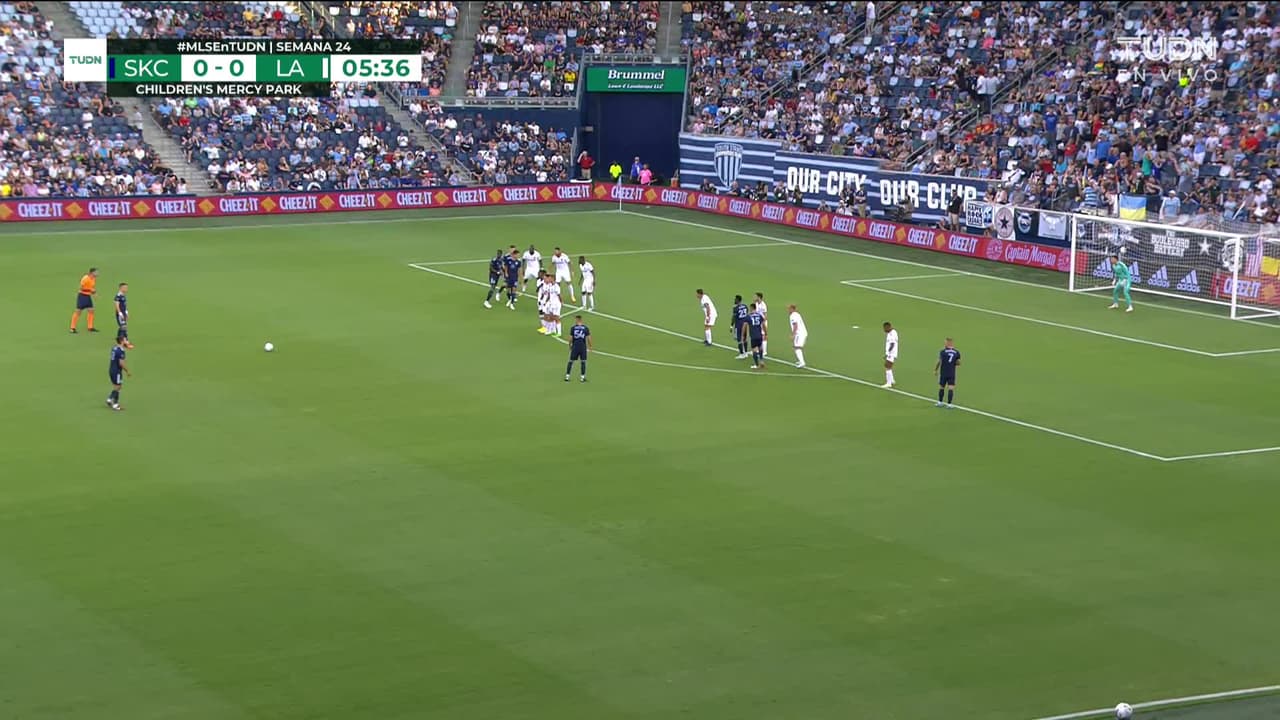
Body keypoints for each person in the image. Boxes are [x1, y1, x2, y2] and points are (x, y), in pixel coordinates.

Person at [106, 335, 131, 411]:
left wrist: (125, 346)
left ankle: (110, 399)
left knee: (116, 386)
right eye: (125, 340)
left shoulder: (114, 348)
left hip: (111, 369)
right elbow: (121, 363)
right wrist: (127, 371)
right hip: (117, 371)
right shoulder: (121, 351)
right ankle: (115, 404)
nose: (126, 341)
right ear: (122, 341)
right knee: (118, 387)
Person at [935, 337, 961, 408]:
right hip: (951, 373)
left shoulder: (943, 352)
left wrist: (935, 370)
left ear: (947, 343)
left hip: (943, 372)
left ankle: (940, 402)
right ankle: (949, 404)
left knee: (941, 387)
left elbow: (939, 361)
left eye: (945, 342)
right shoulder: (957, 352)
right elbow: (958, 363)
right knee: (951, 388)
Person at [71, 267, 98, 333]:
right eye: (96, 272)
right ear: (92, 272)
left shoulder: (94, 279)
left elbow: (91, 287)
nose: (97, 273)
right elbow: (81, 288)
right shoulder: (85, 278)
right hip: (82, 296)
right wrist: (91, 290)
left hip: (88, 296)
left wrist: (94, 293)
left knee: (91, 310)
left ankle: (90, 327)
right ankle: (72, 328)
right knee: (78, 311)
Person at [565, 315, 591, 382]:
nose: (575, 321)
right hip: (582, 347)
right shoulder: (585, 328)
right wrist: (590, 346)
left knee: (571, 361)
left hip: (575, 347)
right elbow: (589, 338)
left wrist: (569, 345)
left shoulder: (573, 328)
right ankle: (582, 377)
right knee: (583, 362)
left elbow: (570, 338)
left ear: (578, 320)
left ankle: (567, 376)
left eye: (576, 320)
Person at [114, 282, 134, 349]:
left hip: (123, 313)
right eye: (125, 288)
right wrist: (120, 313)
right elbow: (116, 305)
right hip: (120, 314)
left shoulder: (123, 295)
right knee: (123, 327)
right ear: (121, 288)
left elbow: (124, 305)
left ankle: (120, 341)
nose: (126, 289)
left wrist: (126, 312)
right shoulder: (118, 296)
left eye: (126, 287)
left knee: (123, 327)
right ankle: (125, 342)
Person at [746, 303, 766, 369]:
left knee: (754, 350)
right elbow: (763, 325)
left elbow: (745, 326)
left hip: (753, 336)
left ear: (751, 308)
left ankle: (757, 365)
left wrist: (744, 335)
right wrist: (766, 333)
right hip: (759, 335)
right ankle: (761, 361)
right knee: (760, 348)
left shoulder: (749, 316)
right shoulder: (759, 315)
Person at [788, 304, 807, 368]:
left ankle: (802, 362)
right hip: (803, 332)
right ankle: (800, 360)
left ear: (792, 309)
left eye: (789, 309)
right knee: (797, 347)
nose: (788, 310)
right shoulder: (797, 314)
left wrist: (793, 334)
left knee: (797, 348)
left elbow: (795, 325)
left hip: (799, 333)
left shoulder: (792, 316)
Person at [731, 294, 749, 359]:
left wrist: (731, 326)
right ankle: (746, 353)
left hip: (738, 325)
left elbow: (734, 317)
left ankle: (741, 354)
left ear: (738, 300)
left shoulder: (735, 308)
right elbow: (747, 314)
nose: (734, 300)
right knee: (744, 338)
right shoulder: (745, 306)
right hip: (745, 324)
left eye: (735, 299)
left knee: (739, 339)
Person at [882, 321, 898, 388]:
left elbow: (892, 344)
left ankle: (889, 383)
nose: (884, 330)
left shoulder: (892, 334)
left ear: (888, 327)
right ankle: (892, 380)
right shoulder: (891, 332)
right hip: (892, 353)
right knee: (888, 366)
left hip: (891, 353)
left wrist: (887, 353)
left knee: (887, 366)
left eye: (884, 328)